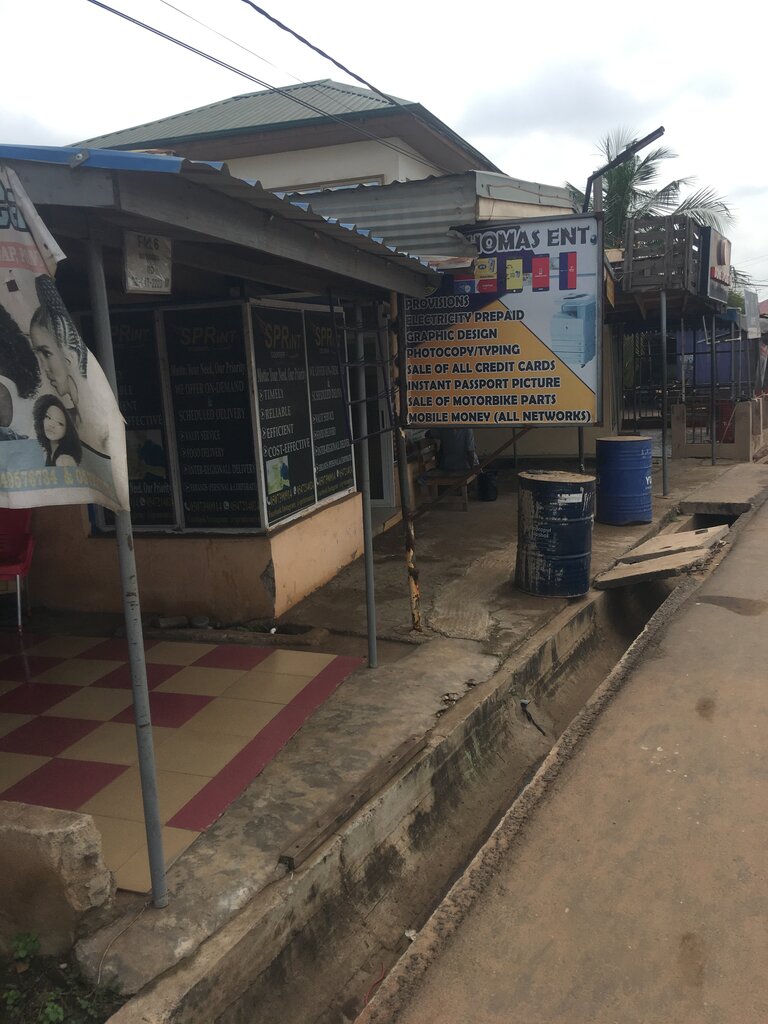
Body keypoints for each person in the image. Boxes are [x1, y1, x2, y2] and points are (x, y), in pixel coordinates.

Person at [33, 393, 82, 467]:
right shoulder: (47, 451)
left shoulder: (64, 460)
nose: (52, 425)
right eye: (48, 417)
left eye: (60, 423)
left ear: (68, 429)